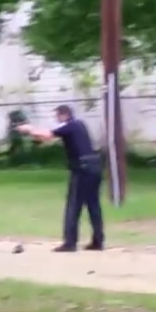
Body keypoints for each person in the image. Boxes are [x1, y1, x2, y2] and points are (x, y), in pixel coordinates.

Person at [16, 105, 104, 252]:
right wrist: (34, 134)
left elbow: (47, 135)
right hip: (95, 167)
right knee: (93, 205)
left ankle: (70, 242)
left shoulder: (69, 126)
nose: (56, 119)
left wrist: (29, 129)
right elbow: (47, 138)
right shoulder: (79, 125)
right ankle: (98, 240)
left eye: (57, 116)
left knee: (73, 205)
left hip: (81, 169)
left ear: (63, 115)